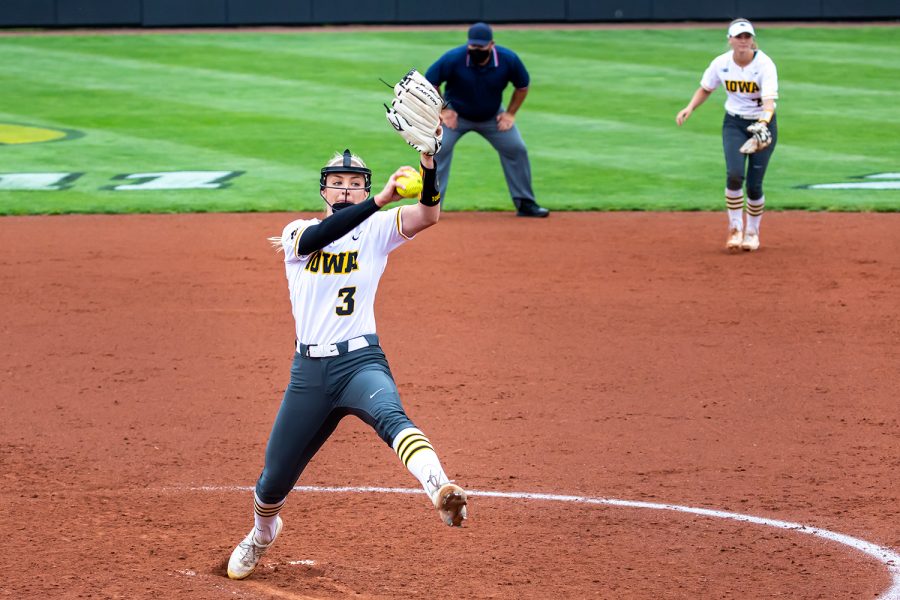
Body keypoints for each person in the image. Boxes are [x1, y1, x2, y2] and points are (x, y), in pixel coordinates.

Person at [226, 148, 468, 581]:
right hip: (310, 375)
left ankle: (440, 486)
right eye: (338, 182)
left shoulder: (376, 230)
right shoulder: (298, 232)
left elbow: (428, 216)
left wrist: (430, 167)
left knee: (392, 415)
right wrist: (379, 200)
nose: (346, 188)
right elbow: (322, 237)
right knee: (273, 479)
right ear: (323, 190)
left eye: (355, 183)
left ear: (365, 189)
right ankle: (262, 534)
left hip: (360, 362)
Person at [425, 22, 549, 217]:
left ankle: (525, 203)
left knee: (516, 148)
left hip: (492, 116)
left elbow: (522, 86)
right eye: (473, 47)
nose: (476, 50)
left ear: (492, 44)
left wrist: (510, 113)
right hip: (456, 117)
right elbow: (430, 82)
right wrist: (444, 109)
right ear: (468, 45)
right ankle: (431, 206)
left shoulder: (508, 59)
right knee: (438, 150)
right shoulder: (454, 58)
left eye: (481, 47)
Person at [676, 18, 779, 252]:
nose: (743, 41)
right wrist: (690, 107)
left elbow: (769, 103)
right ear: (730, 40)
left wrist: (762, 123)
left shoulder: (765, 65)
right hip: (734, 124)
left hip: (764, 126)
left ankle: (752, 232)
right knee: (734, 175)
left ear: (753, 40)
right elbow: (706, 88)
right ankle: (735, 229)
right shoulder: (720, 63)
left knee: (754, 185)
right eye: (738, 37)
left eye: (747, 37)